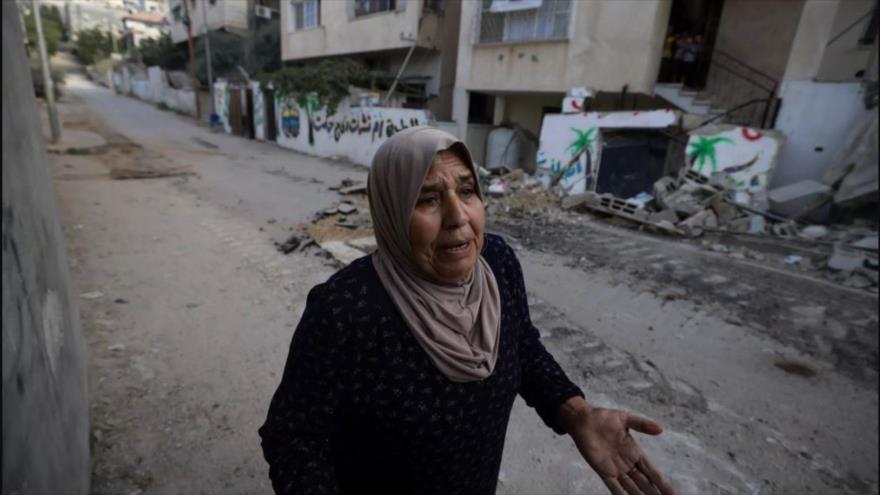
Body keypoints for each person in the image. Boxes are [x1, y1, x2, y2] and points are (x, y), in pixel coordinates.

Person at [258, 127, 677, 495]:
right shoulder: (344, 309)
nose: (458, 217)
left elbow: (522, 346)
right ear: (390, 211)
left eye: (467, 191)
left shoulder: (498, 262)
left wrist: (576, 412)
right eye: (428, 199)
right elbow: (293, 438)